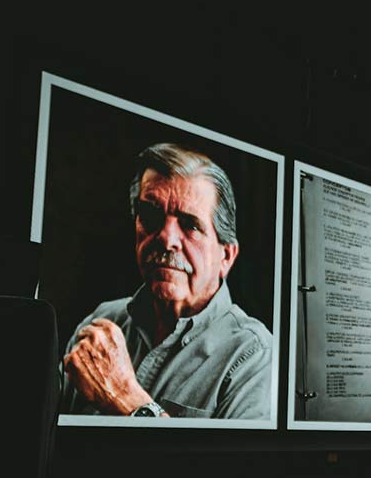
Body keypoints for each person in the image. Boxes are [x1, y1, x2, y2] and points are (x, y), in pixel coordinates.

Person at [61, 143, 273, 419]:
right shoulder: (103, 321)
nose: (166, 238)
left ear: (226, 256)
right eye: (150, 216)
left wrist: (127, 401)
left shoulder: (254, 355)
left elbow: (232, 465)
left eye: (190, 225)